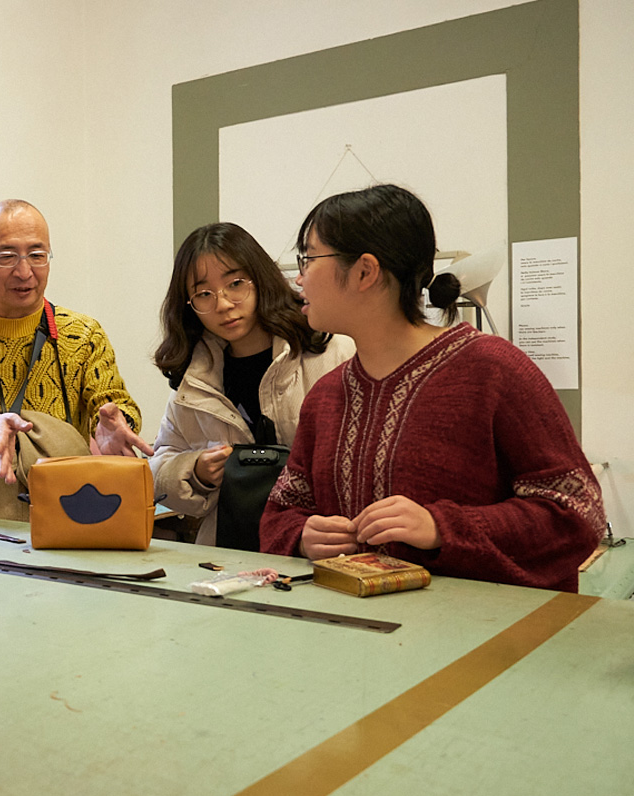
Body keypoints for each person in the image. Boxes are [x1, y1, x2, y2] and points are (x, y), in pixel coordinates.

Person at [259, 184, 604, 591]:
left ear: (365, 271)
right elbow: (281, 513)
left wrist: (442, 527)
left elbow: (577, 512)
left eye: (309, 258)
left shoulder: (494, 370)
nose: (298, 279)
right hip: (355, 641)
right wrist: (302, 536)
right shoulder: (326, 396)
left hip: (485, 643)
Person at [0, 199, 150, 524]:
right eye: (6, 256)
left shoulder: (84, 334)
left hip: (63, 511)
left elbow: (113, 406)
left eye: (37, 255)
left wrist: (119, 424)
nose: (24, 271)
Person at [150, 222, 354, 547]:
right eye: (203, 294)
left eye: (235, 284)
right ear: (187, 305)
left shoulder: (332, 351)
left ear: (259, 279)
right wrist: (196, 471)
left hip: (321, 545)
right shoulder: (195, 378)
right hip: (229, 553)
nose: (223, 304)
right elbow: (160, 466)